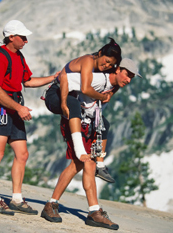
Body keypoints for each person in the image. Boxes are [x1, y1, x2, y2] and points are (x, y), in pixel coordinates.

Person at [41, 58, 142, 230]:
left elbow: (100, 103)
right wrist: (65, 103)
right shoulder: (96, 77)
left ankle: (67, 207)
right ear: (118, 69)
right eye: (128, 74)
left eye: (132, 77)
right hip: (74, 119)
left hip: (88, 121)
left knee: (79, 164)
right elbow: (66, 79)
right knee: (84, 163)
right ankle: (91, 212)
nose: (129, 80)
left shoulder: (115, 85)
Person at [0, 20, 59, 216]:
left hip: (14, 108)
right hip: (0, 111)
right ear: (11, 37)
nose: (26, 40)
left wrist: (54, 77)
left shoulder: (18, 56)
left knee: (22, 154)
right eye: (22, 37)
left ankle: (16, 198)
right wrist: (19, 108)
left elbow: (27, 81)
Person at [44, 38, 122, 182]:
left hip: (74, 98)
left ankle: (100, 165)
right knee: (73, 105)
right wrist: (102, 97)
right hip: (56, 94)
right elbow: (85, 88)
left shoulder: (104, 67)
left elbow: (116, 82)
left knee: (104, 124)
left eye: (111, 64)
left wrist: (110, 93)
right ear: (99, 53)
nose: (106, 65)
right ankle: (80, 150)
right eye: (106, 61)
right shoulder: (88, 61)